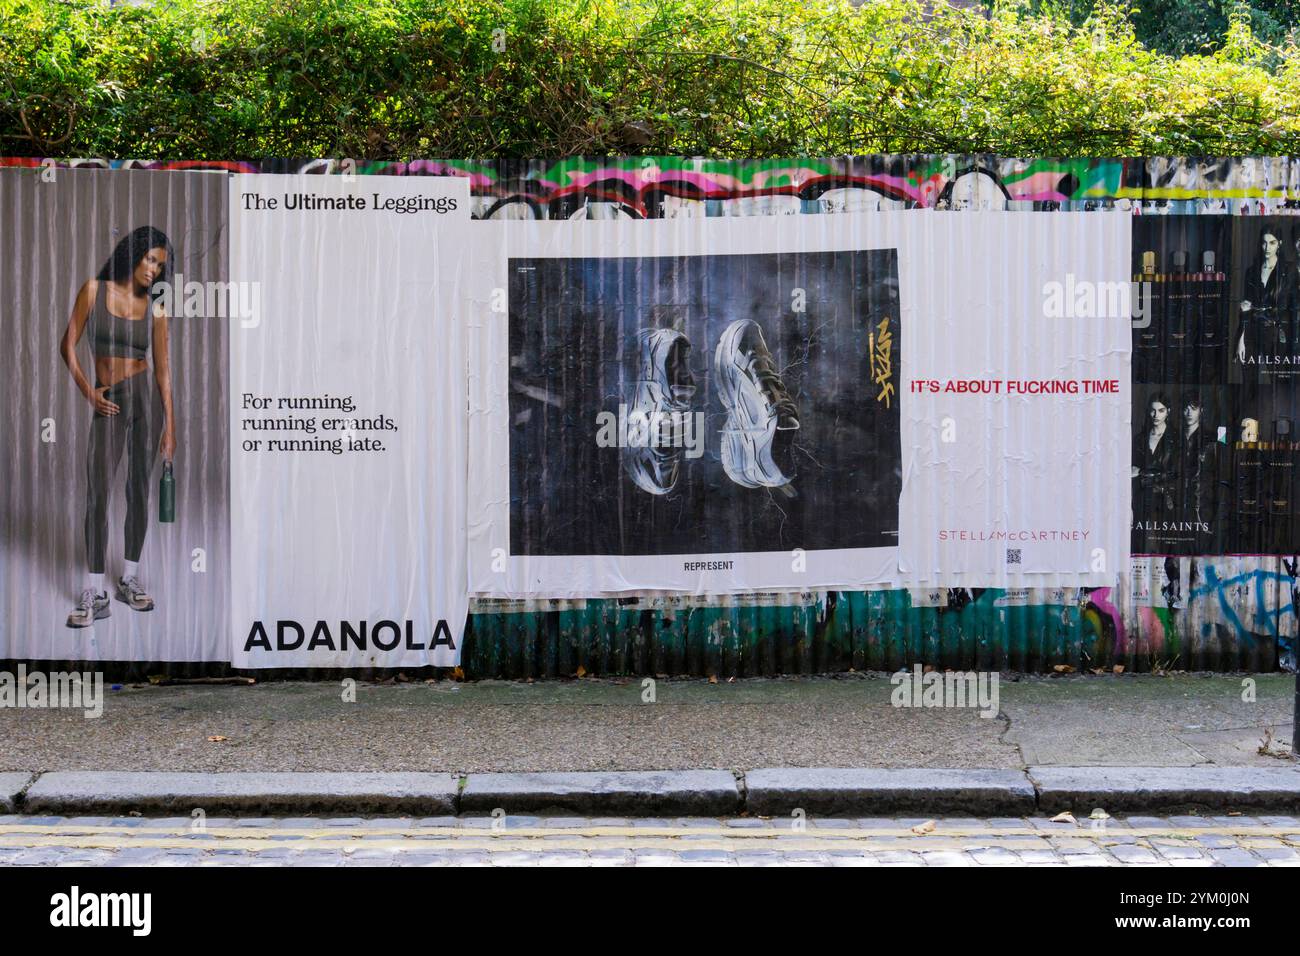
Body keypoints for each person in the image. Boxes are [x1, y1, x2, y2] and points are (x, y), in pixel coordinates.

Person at [58, 227, 177, 628]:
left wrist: (171, 425)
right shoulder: (95, 290)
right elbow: (67, 345)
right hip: (108, 400)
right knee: (98, 493)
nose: (154, 270)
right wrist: (89, 393)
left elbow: (163, 369)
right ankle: (94, 590)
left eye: (161, 265)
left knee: (138, 490)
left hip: (146, 399)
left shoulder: (157, 307)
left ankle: (129, 578)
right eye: (150, 259)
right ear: (134, 255)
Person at [1237, 229, 1295, 376]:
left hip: (1276, 333)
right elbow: (1245, 309)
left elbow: (1289, 305)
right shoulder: (1251, 271)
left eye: (1272, 242)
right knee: (1248, 386)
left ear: (1279, 244)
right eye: (1264, 243)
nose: (1267, 247)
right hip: (1251, 331)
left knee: (1278, 384)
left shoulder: (1289, 270)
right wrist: (1240, 340)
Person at [1132, 393, 1178, 549]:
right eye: (1153, 410)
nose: (1156, 415)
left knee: (1163, 546)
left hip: (1166, 500)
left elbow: (1176, 472)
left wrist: (1142, 472)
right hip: (1141, 500)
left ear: (1168, 411)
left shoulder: (1176, 438)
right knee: (1142, 544)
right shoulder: (1139, 439)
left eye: (1161, 410)